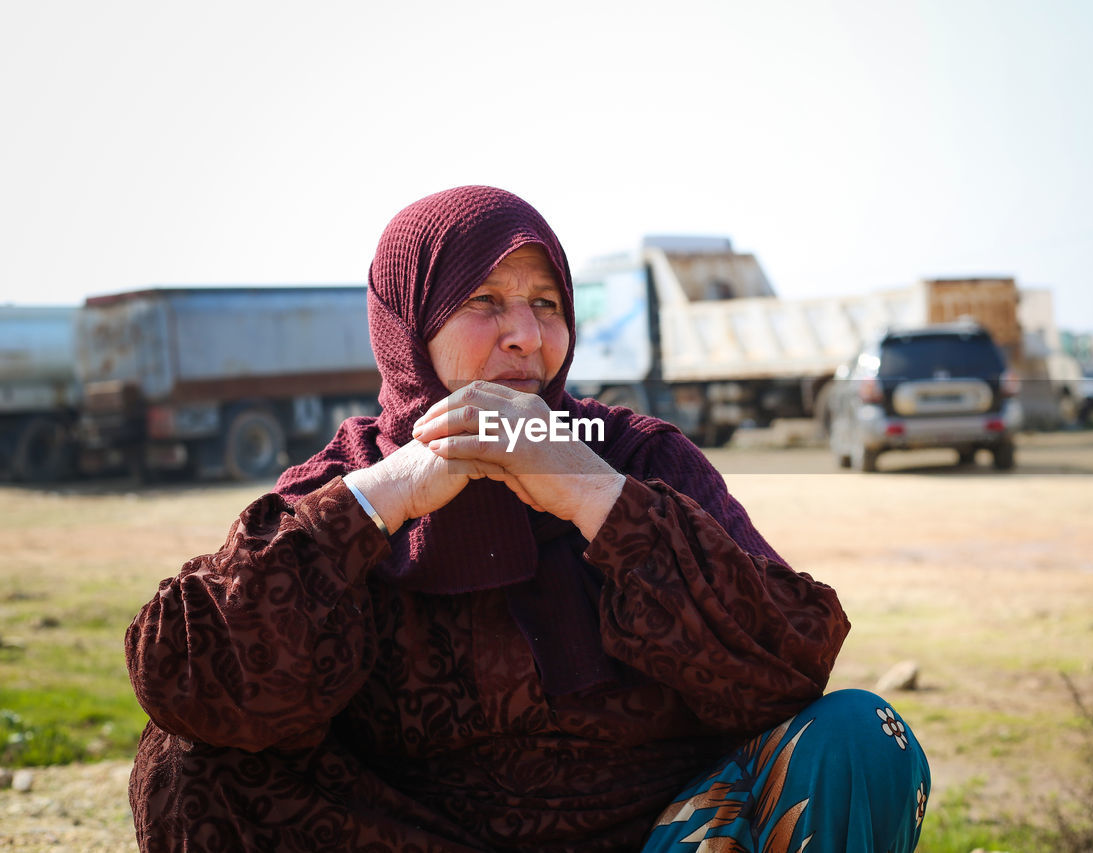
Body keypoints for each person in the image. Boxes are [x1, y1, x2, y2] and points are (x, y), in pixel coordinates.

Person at [126, 185, 930, 852]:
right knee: (189, 760)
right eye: (485, 300)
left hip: (665, 836)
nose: (526, 334)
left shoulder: (637, 457)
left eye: (547, 304)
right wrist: (390, 495)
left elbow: (789, 663)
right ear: (409, 324)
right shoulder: (346, 480)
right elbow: (187, 678)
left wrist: (593, 494)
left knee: (860, 735)